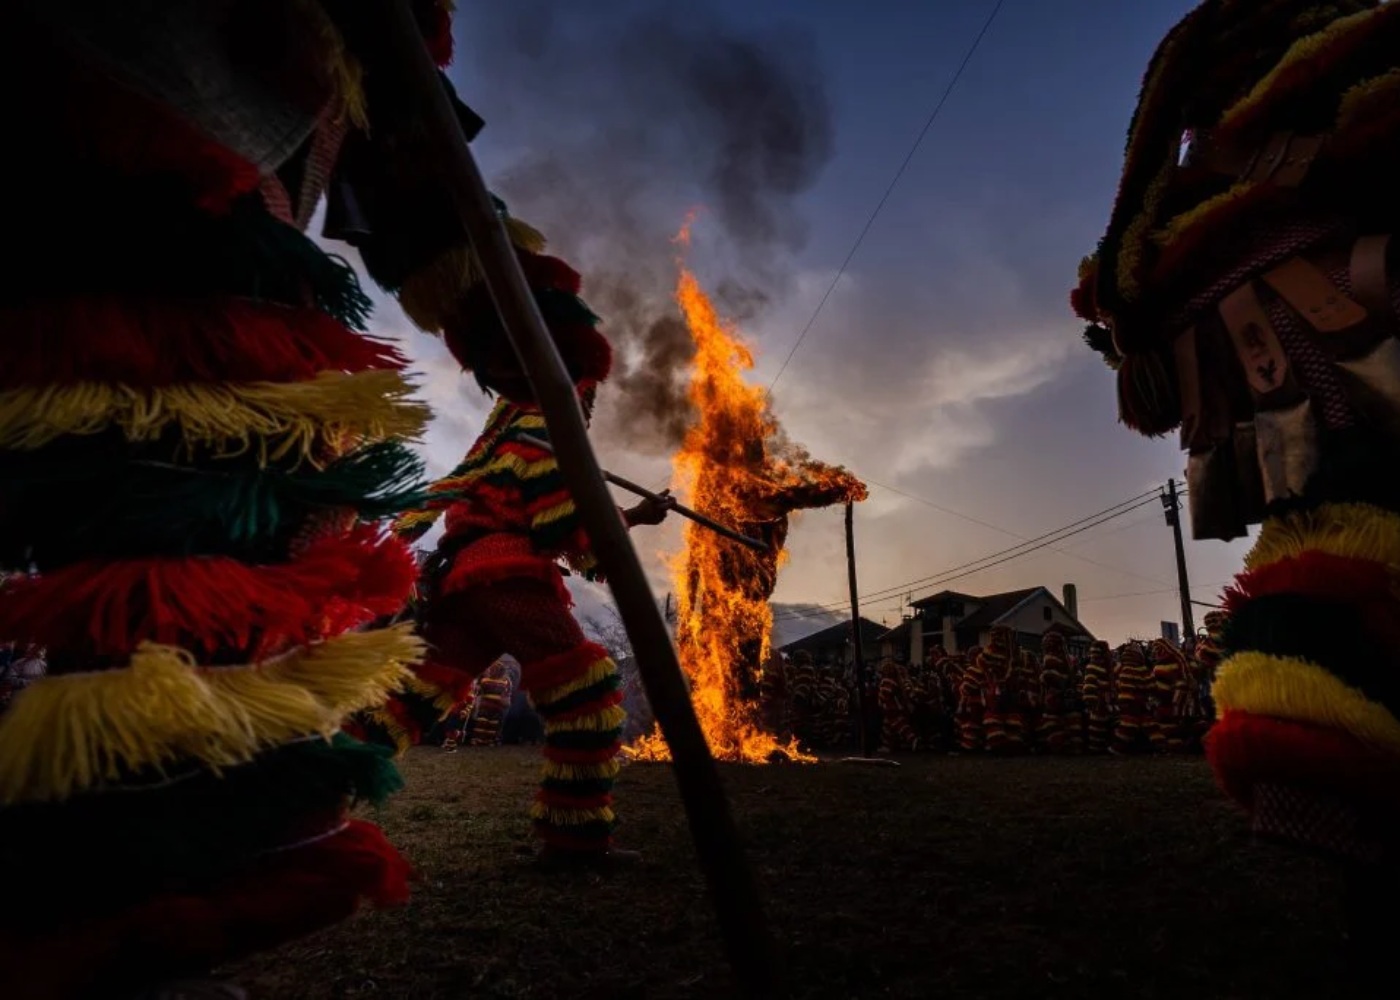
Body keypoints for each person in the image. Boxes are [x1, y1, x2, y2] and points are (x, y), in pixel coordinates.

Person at [385, 282, 674, 862]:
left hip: (466, 581)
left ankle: (301, 803)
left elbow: (557, 508)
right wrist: (626, 525)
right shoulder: (541, 426)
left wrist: (632, 518)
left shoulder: (507, 436)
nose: (588, 409)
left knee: (410, 699)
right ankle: (575, 839)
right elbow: (561, 523)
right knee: (589, 692)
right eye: (587, 396)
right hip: (507, 577)